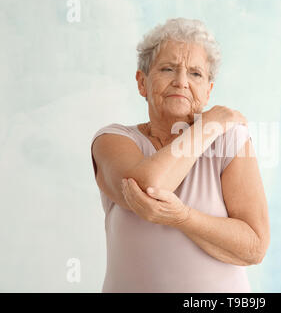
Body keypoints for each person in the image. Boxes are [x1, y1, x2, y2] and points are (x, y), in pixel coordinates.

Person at [90, 18, 270, 292]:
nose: (181, 82)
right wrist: (210, 124)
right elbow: (150, 188)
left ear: (208, 92)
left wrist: (182, 217)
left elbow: (254, 247)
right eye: (167, 69)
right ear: (142, 83)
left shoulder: (231, 139)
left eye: (196, 74)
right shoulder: (113, 140)